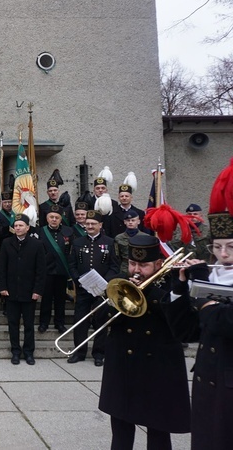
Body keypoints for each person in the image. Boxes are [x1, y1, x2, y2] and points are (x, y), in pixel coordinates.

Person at [164, 161, 233, 450]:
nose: (223, 254)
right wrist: (180, 288)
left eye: (231, 247)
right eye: (218, 247)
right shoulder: (213, 275)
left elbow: (223, 323)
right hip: (208, 382)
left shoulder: (211, 279)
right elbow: (187, 332)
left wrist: (205, 297)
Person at [99, 233, 190, 449]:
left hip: (157, 367)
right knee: (120, 429)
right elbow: (98, 321)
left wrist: (150, 293)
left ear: (158, 263)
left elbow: (182, 326)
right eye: (132, 263)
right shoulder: (120, 282)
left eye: (143, 265)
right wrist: (114, 302)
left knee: (158, 432)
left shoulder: (174, 284)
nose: (137, 270)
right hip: (124, 365)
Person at [67, 210, 119, 365]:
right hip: (83, 289)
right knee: (80, 320)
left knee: (101, 320)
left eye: (93, 224)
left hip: (101, 290)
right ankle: (79, 352)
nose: (89, 226)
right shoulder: (77, 242)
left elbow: (115, 267)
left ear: (100, 225)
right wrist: (79, 280)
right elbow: (72, 265)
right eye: (88, 223)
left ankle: (99, 353)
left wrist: (105, 281)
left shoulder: (110, 242)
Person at [0, 214, 46, 364]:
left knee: (29, 324)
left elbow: (41, 270)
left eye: (21, 226)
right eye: (16, 226)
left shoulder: (36, 244)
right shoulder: (7, 243)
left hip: (29, 291)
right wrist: (3, 287)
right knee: (13, 323)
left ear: (27, 228)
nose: (18, 228)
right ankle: (15, 351)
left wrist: (37, 290)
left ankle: (29, 352)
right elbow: (2, 267)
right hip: (11, 291)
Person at [37, 204, 73, 333]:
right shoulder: (41, 231)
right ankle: (43, 323)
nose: (54, 219)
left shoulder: (68, 231)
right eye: (51, 217)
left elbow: (70, 252)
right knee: (46, 299)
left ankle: (60, 323)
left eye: (56, 217)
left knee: (60, 299)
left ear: (60, 219)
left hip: (62, 271)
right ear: (47, 218)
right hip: (47, 271)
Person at [113, 210, 141, 276]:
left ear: (138, 222)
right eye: (128, 220)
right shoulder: (119, 238)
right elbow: (117, 256)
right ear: (124, 222)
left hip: (140, 267)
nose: (130, 222)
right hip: (125, 268)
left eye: (133, 220)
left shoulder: (145, 237)